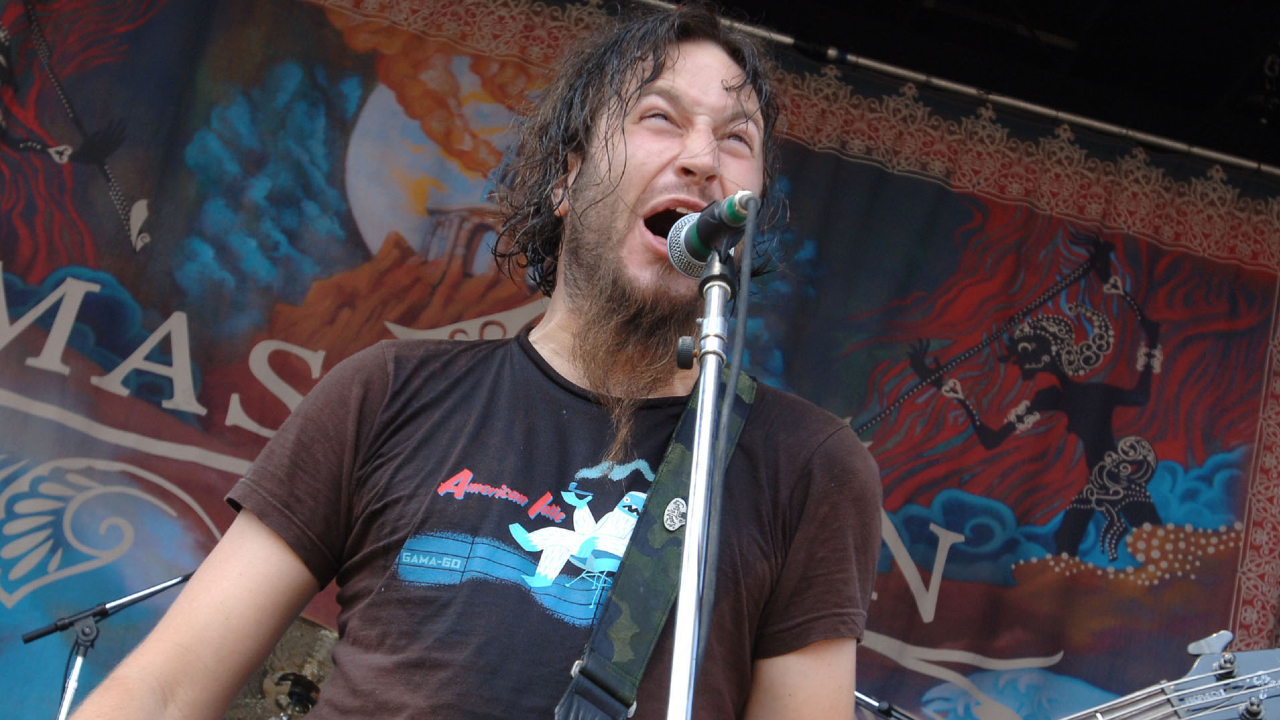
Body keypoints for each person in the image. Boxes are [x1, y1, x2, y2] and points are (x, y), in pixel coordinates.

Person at [70, 5, 881, 719]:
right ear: (567, 179)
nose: (704, 159)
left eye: (737, 138)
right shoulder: (385, 394)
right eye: (660, 118)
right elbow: (163, 693)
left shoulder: (806, 468)